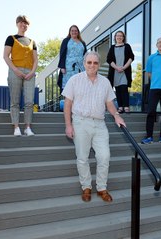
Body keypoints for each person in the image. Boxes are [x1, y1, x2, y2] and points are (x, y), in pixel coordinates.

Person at [62, 51, 126, 203]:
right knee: (82, 158)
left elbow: (109, 103)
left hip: (99, 124)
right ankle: (86, 187)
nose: (92, 65)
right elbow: (68, 104)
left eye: (95, 63)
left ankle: (102, 188)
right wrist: (68, 125)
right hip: (80, 122)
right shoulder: (74, 80)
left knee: (104, 156)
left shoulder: (105, 82)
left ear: (98, 65)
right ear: (84, 64)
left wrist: (117, 115)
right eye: (89, 62)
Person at [3, 15, 38, 136]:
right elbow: (6, 56)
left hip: (30, 72)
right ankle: (16, 127)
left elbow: (35, 60)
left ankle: (27, 127)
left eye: (26, 23)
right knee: (15, 101)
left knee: (29, 101)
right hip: (15, 71)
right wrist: (15, 70)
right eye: (22, 23)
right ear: (17, 23)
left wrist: (32, 72)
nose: (24, 25)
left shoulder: (32, 42)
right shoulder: (11, 38)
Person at [106, 30, 135, 113]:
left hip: (124, 72)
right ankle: (120, 107)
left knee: (124, 88)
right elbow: (109, 59)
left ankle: (126, 106)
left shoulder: (127, 46)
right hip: (115, 72)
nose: (119, 37)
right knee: (118, 89)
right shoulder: (112, 47)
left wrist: (124, 67)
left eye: (121, 36)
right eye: (117, 36)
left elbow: (131, 57)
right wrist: (116, 68)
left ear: (123, 38)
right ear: (115, 37)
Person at [57, 25, 87, 93]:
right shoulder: (66, 41)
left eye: (75, 31)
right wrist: (62, 67)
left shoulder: (82, 42)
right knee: (69, 87)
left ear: (78, 32)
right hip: (69, 68)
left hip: (81, 67)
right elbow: (62, 53)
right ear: (70, 32)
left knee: (80, 86)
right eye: (72, 31)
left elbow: (85, 55)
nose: (74, 32)